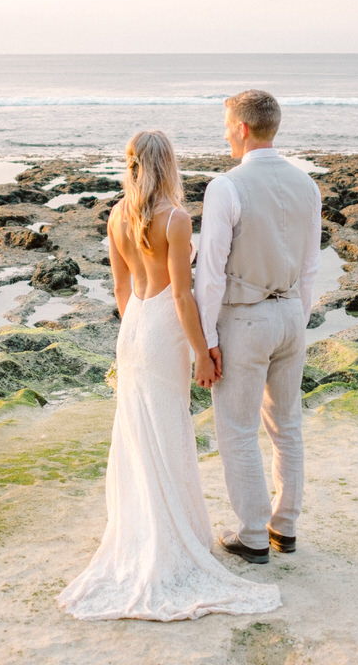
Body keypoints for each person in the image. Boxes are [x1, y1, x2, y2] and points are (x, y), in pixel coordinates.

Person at [58, 129, 280, 621]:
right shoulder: (175, 219)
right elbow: (182, 296)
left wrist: (134, 332)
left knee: (140, 435)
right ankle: (172, 539)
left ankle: (144, 531)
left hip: (134, 325)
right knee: (168, 431)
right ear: (169, 165)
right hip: (163, 329)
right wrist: (203, 352)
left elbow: (120, 287)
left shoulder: (117, 214)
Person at [194, 90, 321, 565]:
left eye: (227, 124)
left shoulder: (226, 186)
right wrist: (295, 319)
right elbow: (310, 266)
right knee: (287, 427)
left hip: (245, 318)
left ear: (242, 128)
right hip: (291, 314)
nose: (225, 132)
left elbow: (210, 273)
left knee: (238, 429)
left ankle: (251, 534)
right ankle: (283, 529)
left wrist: (206, 342)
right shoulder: (307, 185)